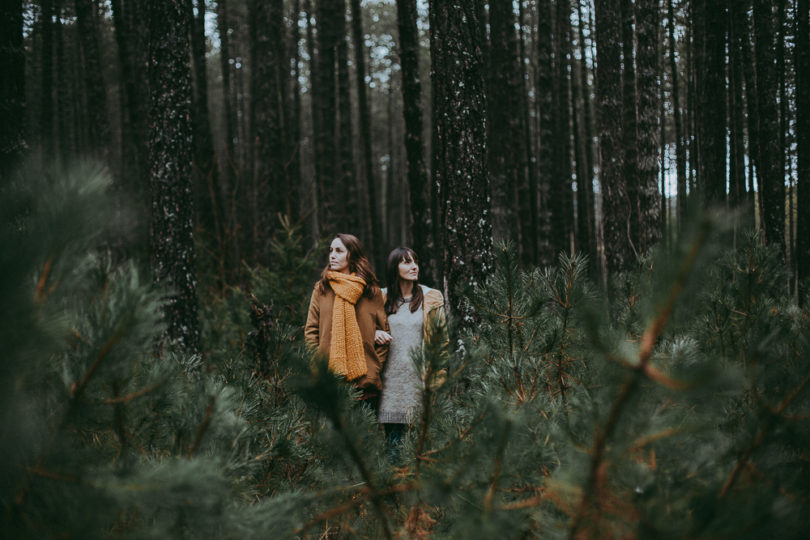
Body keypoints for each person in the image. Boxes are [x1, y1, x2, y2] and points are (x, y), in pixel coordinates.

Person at [304, 234, 391, 409]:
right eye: (330, 251)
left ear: (352, 255)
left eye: (338, 251)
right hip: (329, 381)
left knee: (363, 437)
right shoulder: (321, 290)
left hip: (365, 384)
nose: (332, 255)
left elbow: (385, 334)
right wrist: (318, 365)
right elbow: (311, 332)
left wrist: (374, 368)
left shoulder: (371, 293)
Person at [377, 247, 446, 457]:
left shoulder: (431, 298)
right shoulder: (380, 298)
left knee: (420, 454)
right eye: (406, 262)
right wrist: (374, 333)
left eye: (415, 261)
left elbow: (441, 344)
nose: (414, 266)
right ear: (394, 267)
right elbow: (363, 332)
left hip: (419, 387)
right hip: (390, 389)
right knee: (394, 453)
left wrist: (438, 381)